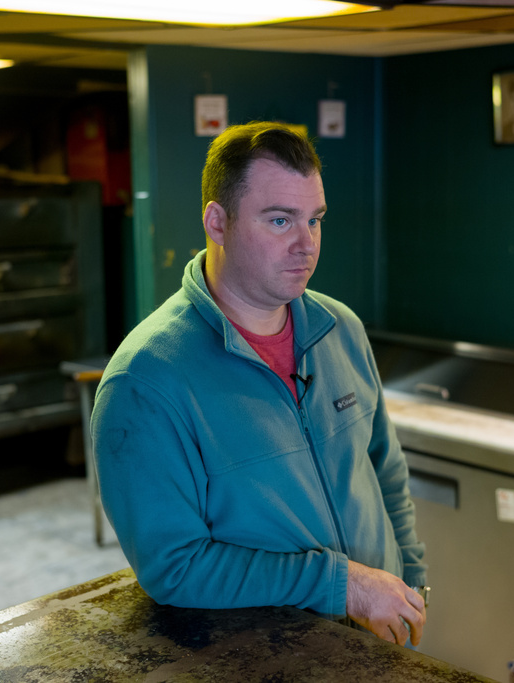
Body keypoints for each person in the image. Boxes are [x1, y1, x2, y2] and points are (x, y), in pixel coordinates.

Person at [91, 121, 428, 647]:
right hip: (267, 659)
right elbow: (174, 567)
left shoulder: (341, 329)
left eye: (315, 220)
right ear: (217, 222)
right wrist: (343, 586)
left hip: (378, 644)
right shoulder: (146, 382)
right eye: (279, 220)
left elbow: (384, 472)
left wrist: (410, 583)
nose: (306, 244)